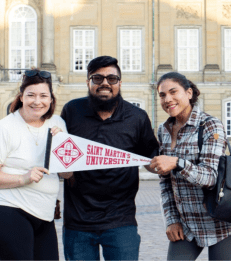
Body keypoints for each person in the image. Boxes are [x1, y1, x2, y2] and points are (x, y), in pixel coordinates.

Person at [60, 56, 159, 261]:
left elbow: (151, 157)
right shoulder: (71, 111)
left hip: (121, 221)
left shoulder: (137, 117)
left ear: (120, 83)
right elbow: (59, 155)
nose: (105, 83)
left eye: (112, 79)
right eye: (97, 78)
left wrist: (160, 163)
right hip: (78, 222)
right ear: (88, 82)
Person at [0, 69, 68, 260]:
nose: (37, 101)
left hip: (44, 216)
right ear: (21, 97)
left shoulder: (58, 122)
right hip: (8, 210)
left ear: (51, 99)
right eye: (31, 95)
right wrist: (23, 178)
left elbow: (67, 174)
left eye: (43, 95)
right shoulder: (5, 127)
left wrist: (62, 145)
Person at [149, 72, 231, 260]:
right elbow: (165, 183)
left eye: (173, 92)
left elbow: (210, 177)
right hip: (186, 224)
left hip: (220, 221)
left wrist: (176, 162)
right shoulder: (163, 130)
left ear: (189, 93)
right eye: (162, 95)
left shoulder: (210, 125)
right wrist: (172, 220)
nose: (168, 99)